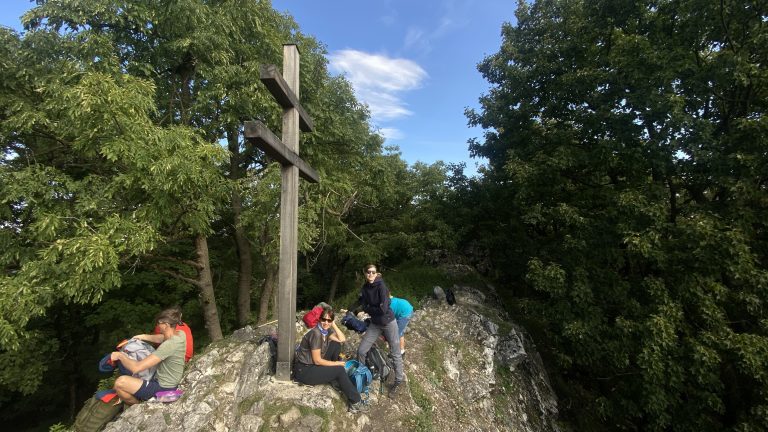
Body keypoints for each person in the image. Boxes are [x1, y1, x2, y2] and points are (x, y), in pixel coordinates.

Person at [293, 306, 369, 413]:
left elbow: (342, 339)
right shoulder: (316, 334)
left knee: (335, 343)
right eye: (323, 319)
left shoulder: (326, 331)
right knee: (339, 370)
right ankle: (355, 402)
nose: (326, 322)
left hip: (312, 365)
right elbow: (317, 361)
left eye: (329, 320)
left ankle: (333, 377)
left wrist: (333, 324)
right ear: (319, 319)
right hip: (304, 371)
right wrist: (336, 364)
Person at [111, 308, 187, 405]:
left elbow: (136, 368)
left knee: (119, 383)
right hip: (167, 380)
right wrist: (143, 336)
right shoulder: (180, 335)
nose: (157, 325)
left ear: (166, 325)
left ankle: (138, 406)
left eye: (159, 323)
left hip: (163, 388)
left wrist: (120, 356)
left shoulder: (168, 346)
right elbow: (162, 338)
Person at [355, 264, 405, 397]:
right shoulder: (365, 288)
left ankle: (398, 381)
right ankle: (362, 375)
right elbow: (363, 303)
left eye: (373, 272)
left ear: (376, 273)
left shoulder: (381, 286)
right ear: (365, 273)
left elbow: (383, 309)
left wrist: (368, 309)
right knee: (361, 350)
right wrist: (358, 309)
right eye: (368, 272)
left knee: (395, 352)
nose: (371, 274)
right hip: (375, 323)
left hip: (389, 322)